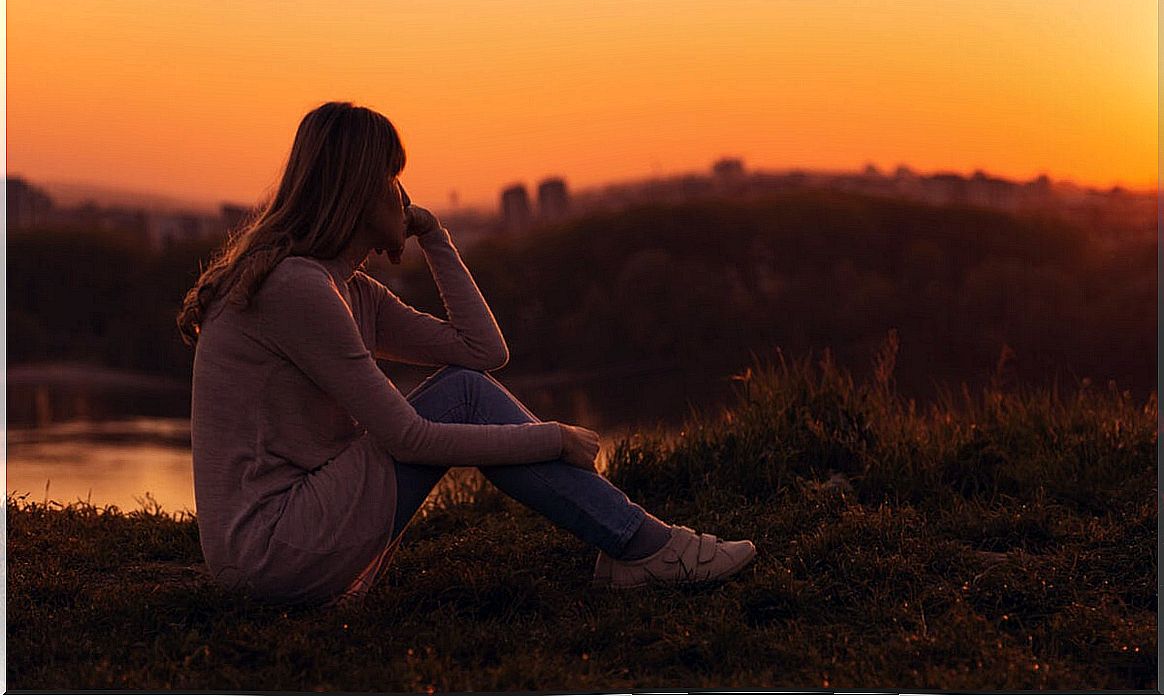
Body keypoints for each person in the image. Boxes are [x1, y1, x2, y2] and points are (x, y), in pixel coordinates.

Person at [176, 100, 756, 607]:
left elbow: (483, 350)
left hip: (287, 539)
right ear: (357, 192)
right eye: (392, 179)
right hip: (272, 550)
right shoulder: (297, 288)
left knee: (463, 386)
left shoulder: (345, 289)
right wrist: (553, 436)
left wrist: (437, 240)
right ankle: (645, 547)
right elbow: (413, 437)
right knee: (461, 396)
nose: (402, 196)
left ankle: (629, 543)